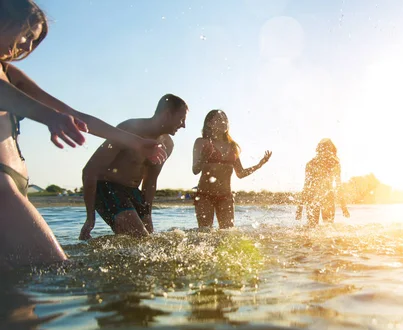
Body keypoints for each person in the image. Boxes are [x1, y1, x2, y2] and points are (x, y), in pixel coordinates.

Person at [0, 0, 166, 267]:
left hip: (16, 186)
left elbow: (78, 117)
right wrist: (49, 117)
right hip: (2, 187)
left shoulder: (9, 71)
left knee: (16, 287)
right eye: (26, 35)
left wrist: (137, 143)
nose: (27, 47)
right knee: (62, 272)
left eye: (33, 41)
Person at [79, 95, 188, 239]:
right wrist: (90, 218)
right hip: (107, 188)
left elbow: (150, 182)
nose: (184, 125)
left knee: (148, 241)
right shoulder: (129, 129)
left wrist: (147, 213)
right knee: (140, 240)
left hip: (134, 192)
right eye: (181, 119)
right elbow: (89, 170)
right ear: (167, 114)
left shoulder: (167, 144)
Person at [192, 109, 272, 229]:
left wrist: (259, 165)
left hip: (226, 196)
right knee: (205, 233)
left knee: (227, 234)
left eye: (225, 120)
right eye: (219, 119)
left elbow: (240, 173)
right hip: (204, 196)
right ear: (209, 123)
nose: (223, 122)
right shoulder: (201, 142)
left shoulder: (232, 146)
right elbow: (195, 170)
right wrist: (203, 158)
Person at [296, 138, 350, 227]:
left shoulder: (334, 164)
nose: (325, 152)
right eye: (324, 149)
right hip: (313, 197)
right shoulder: (311, 164)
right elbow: (306, 186)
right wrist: (300, 207)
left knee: (327, 228)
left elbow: (338, 186)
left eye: (328, 149)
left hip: (327, 197)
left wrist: (343, 206)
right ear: (319, 150)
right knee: (314, 228)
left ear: (332, 150)